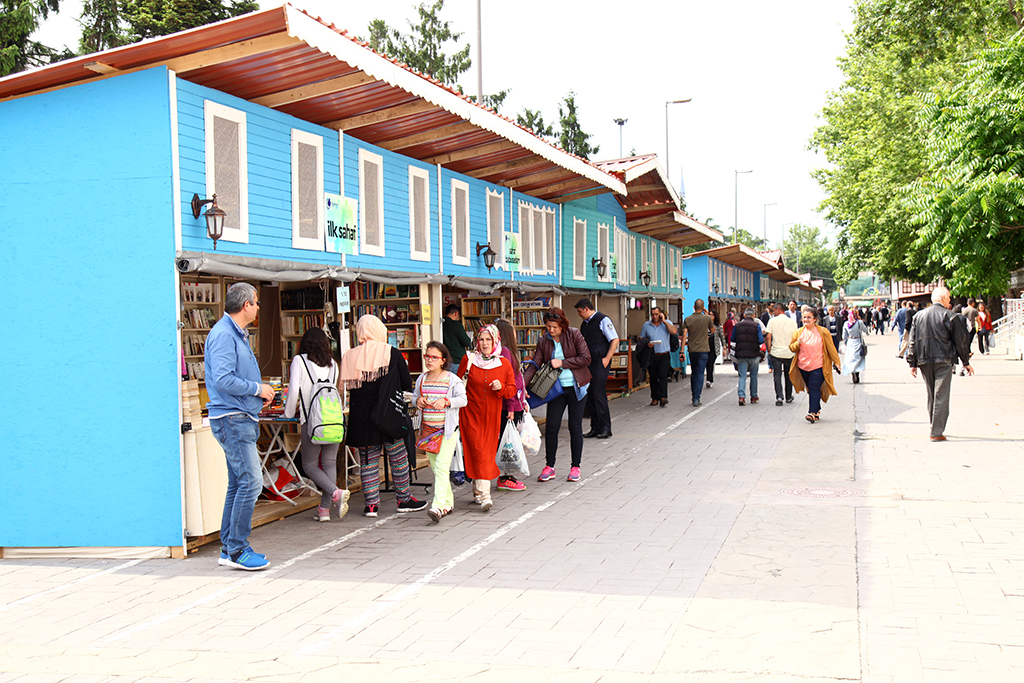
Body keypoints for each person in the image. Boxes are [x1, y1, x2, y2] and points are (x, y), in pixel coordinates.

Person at [205, 283, 275, 571]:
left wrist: (257, 395)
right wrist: (257, 389)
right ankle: (237, 549)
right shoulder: (224, 335)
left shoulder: (234, 333)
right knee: (252, 482)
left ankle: (228, 547)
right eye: (256, 303)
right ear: (246, 305)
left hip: (239, 415)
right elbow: (223, 379)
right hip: (232, 418)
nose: (258, 308)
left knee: (238, 483)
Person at [341, 315, 428, 517]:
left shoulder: (349, 356)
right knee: (398, 457)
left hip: (361, 418)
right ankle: (404, 499)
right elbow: (406, 382)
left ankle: (371, 505)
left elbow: (346, 387)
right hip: (387, 415)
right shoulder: (390, 352)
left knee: (368, 461)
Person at [283, 327, 350, 523]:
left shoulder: (299, 361)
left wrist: (287, 414)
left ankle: (335, 493)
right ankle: (324, 510)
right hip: (333, 421)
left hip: (311, 422)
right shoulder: (333, 365)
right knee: (329, 463)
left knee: (310, 465)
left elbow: (294, 390)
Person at [524, 308, 591, 482]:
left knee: (575, 427)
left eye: (554, 327)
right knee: (552, 427)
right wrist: (521, 386)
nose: (551, 330)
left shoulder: (574, 334)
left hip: (577, 387)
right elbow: (534, 365)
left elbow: (586, 358)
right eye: (548, 326)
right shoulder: (543, 341)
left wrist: (562, 363)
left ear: (562, 325)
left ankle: (575, 467)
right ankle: (549, 466)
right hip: (555, 390)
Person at [457, 325, 516, 510]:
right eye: (481, 339)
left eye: (488, 339)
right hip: (470, 414)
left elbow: (512, 390)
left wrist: (501, 388)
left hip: (491, 416)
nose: (484, 343)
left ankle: (477, 491)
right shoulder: (468, 359)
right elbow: (458, 386)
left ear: (496, 340)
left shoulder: (504, 363)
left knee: (484, 452)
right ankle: (485, 496)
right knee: (477, 450)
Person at [906, 286, 973, 442]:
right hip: (944, 360)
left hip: (924, 360)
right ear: (943, 299)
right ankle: (936, 432)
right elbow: (960, 342)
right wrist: (966, 362)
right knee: (941, 395)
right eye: (949, 298)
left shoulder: (919, 316)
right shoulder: (950, 316)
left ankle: (934, 425)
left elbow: (912, 340)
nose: (950, 301)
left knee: (931, 394)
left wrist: (912, 362)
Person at [412, 341, 467, 523]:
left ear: (443, 360)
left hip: (447, 431)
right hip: (428, 431)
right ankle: (448, 502)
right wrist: (418, 401)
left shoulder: (452, 379)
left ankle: (437, 506)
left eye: (434, 357)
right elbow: (413, 398)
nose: (429, 360)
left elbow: (463, 399)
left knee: (442, 467)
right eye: (427, 356)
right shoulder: (422, 378)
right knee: (437, 469)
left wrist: (447, 402)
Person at [789, 305, 842, 424]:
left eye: (809, 317)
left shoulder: (823, 332)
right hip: (803, 366)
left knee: (814, 387)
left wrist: (837, 362)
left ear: (815, 319)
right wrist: (797, 344)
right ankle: (817, 409)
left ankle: (812, 413)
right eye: (804, 318)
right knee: (811, 389)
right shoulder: (798, 332)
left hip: (819, 365)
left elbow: (831, 348)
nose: (806, 320)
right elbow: (791, 348)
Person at [574, 299, 619, 439]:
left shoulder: (603, 320)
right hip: (588, 364)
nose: (579, 315)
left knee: (599, 394)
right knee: (591, 395)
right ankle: (595, 427)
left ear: (586, 309)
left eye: (580, 311)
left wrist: (606, 359)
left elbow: (614, 339)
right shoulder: (585, 324)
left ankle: (606, 427)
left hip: (600, 363)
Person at [494, 318, 528, 491]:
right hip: (510, 406)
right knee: (506, 442)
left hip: (515, 402)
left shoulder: (508, 352)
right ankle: (505, 477)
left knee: (508, 441)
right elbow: (508, 381)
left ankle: (507, 475)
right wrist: (512, 407)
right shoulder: (506, 352)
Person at [642, 306, 677, 407]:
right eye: (653, 314)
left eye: (656, 314)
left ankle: (663, 397)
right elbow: (641, 338)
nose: (654, 316)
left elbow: (674, 331)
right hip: (652, 355)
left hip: (664, 354)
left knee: (662, 376)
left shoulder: (667, 323)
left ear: (660, 314)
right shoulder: (646, 325)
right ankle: (654, 398)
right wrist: (647, 343)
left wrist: (664, 321)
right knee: (653, 377)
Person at [681, 300, 713, 407]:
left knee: (694, 372)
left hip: (692, 349)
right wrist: (707, 313)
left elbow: (684, 335)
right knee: (700, 373)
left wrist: (682, 351)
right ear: (703, 307)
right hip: (703, 349)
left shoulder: (688, 319)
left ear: (694, 306)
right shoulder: (707, 318)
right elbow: (712, 331)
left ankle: (694, 395)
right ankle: (696, 398)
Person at [765, 302, 797, 406]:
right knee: (789, 375)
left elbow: (768, 336)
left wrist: (769, 349)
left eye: (773, 310)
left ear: (778, 310)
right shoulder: (792, 322)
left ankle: (779, 396)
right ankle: (788, 396)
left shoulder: (772, 321)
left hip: (776, 352)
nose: (773, 312)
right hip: (789, 352)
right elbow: (795, 337)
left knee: (777, 375)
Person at [731, 307, 764, 406]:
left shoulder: (737, 325)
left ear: (744, 315)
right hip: (754, 353)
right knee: (753, 376)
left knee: (742, 376)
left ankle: (741, 396)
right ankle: (754, 396)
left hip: (741, 354)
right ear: (754, 316)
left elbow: (733, 338)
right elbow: (761, 340)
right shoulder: (756, 325)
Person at [442, 303, 473, 373]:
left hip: (444, 361)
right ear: (456, 313)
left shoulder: (440, 324)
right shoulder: (456, 324)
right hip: (456, 360)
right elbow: (466, 342)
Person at [842, 310, 869, 384]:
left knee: (851, 359)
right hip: (858, 341)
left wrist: (845, 343)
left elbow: (844, 335)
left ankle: (852, 373)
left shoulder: (846, 323)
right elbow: (865, 329)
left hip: (850, 342)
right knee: (858, 359)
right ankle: (856, 374)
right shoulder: (859, 322)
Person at [706, 309, 724, 389]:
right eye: (709, 314)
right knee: (707, 363)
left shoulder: (718, 326)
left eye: (712, 315)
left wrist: (725, 347)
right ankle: (709, 379)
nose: (710, 316)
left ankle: (710, 380)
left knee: (710, 363)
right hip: (705, 346)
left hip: (714, 347)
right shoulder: (705, 325)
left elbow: (722, 337)